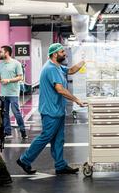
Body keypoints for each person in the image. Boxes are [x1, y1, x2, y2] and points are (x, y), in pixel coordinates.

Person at [16, 43, 87, 175]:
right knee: (46, 136)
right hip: (50, 111)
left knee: (59, 139)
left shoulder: (57, 67)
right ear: (55, 54)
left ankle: (60, 165)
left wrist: (84, 61)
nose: (65, 54)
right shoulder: (51, 69)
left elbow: (71, 70)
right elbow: (59, 89)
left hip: (57, 109)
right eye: (62, 52)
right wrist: (77, 100)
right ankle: (24, 159)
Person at [0, 45, 27, 140]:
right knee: (4, 114)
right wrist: (0, 80)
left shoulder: (16, 64)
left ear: (7, 52)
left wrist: (9, 80)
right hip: (3, 93)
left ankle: (23, 131)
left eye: (1, 51)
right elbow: (1, 77)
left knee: (16, 112)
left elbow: (20, 77)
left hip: (13, 93)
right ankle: (7, 132)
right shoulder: (0, 64)